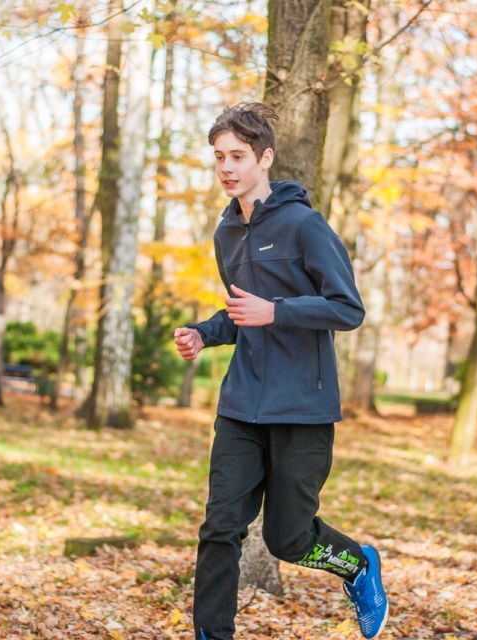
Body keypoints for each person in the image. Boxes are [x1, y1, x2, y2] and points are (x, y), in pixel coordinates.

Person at [173, 102, 389, 640]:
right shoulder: (226, 232)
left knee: (289, 538)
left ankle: (358, 565)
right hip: (241, 406)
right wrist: (204, 332)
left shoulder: (304, 226)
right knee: (220, 527)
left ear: (265, 158)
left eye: (238, 156)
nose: (227, 167)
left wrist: (278, 312)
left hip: (301, 407)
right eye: (219, 157)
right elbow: (242, 311)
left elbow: (348, 309)